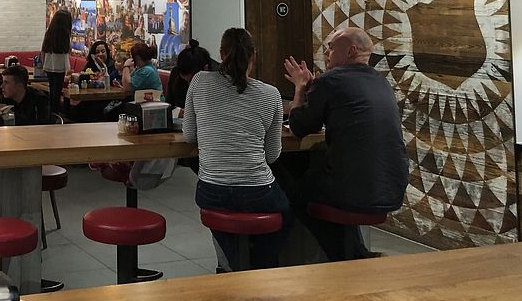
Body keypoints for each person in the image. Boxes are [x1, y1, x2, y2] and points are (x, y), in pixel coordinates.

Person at [282, 27, 409, 261]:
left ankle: (343, 258)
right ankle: (357, 253)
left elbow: (299, 127)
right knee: (333, 182)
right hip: (393, 186)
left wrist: (300, 87)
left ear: (351, 51)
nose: (326, 53)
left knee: (291, 188)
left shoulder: (330, 80)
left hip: (354, 190)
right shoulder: (381, 81)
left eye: (331, 47)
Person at [183, 28, 290, 270]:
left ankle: (235, 267)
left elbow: (189, 136)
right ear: (254, 55)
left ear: (221, 54)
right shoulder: (271, 94)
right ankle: (260, 268)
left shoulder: (199, 81)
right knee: (287, 214)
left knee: (226, 228)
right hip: (258, 191)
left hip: (211, 190)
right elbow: (272, 155)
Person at [165, 40, 215, 111]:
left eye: (191, 80)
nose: (189, 85)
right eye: (186, 80)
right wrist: (177, 111)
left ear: (205, 69)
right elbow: (168, 104)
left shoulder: (218, 78)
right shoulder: (176, 73)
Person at [40, 9, 72, 114]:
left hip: (49, 64)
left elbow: (43, 50)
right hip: (60, 66)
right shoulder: (65, 35)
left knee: (52, 89)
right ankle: (55, 113)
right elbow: (68, 51)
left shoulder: (49, 33)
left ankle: (51, 113)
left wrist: (43, 64)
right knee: (57, 91)